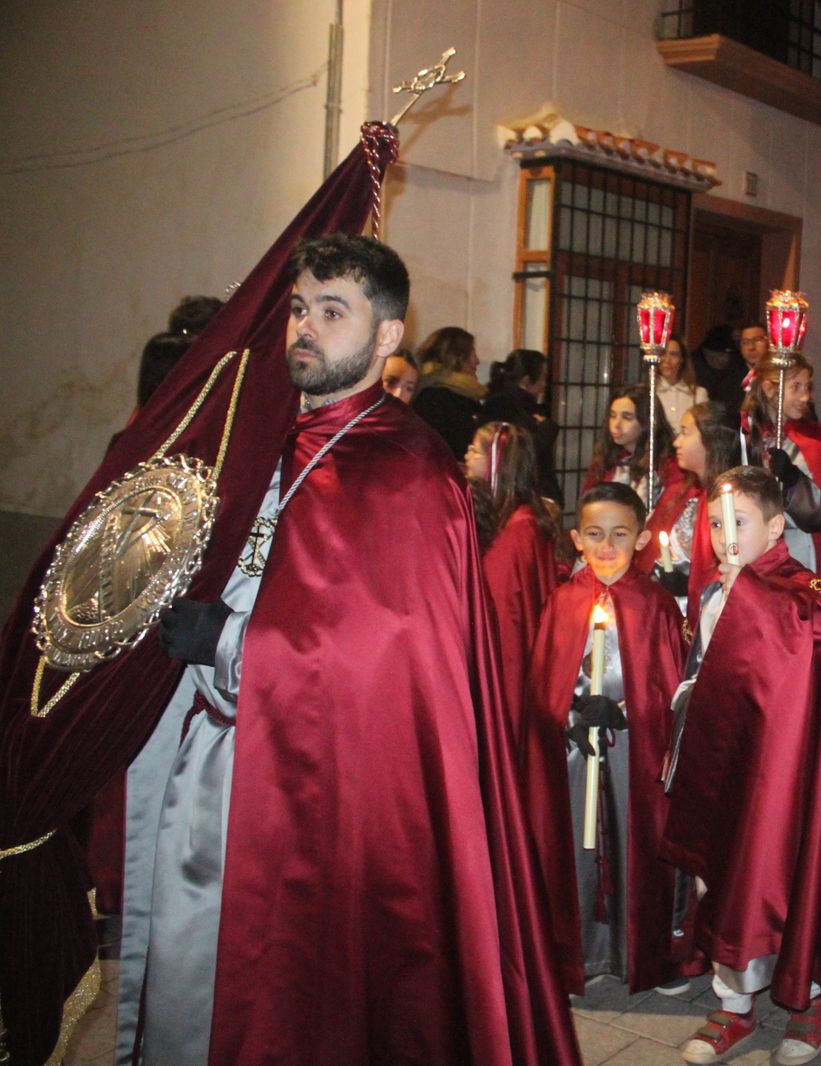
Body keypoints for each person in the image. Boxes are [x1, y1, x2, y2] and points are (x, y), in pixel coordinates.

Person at [118, 234, 577, 1064]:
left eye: (334, 312)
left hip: (328, 794)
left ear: (388, 335)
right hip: (218, 765)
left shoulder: (410, 470)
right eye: (300, 308)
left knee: (304, 998)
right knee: (194, 992)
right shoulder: (265, 438)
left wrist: (228, 639)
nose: (307, 327)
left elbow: (388, 657)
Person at [661, 466, 821, 1065]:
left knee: (784, 875)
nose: (725, 537)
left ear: (773, 527)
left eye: (738, 523)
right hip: (724, 760)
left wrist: (753, 596)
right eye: (715, 525)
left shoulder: (805, 589)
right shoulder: (715, 591)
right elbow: (704, 664)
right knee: (720, 875)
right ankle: (733, 1003)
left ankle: (807, 996)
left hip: (784, 771)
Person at [523, 482, 688, 995]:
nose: (607, 546)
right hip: (575, 749)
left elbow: (671, 686)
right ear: (576, 539)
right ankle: (581, 953)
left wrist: (625, 712)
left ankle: (644, 953)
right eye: (595, 534)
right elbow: (543, 681)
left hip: (633, 750)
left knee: (635, 841)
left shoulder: (656, 604)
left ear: (641, 539)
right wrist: (567, 714)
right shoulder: (563, 601)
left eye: (620, 533)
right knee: (576, 841)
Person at [466, 420, 560, 739]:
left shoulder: (518, 531)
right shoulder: (516, 520)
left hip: (509, 664)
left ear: (497, 463)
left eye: (475, 450)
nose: (467, 455)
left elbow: (506, 618)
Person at [741, 354, 821, 590]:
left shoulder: (815, 440)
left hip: (797, 549)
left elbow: (819, 515)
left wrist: (792, 480)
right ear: (769, 389)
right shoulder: (747, 436)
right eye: (796, 387)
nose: (805, 397)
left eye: (807, 387)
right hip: (751, 546)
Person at [639, 401, 741, 617]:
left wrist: (688, 583)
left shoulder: (733, 502)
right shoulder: (679, 492)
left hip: (707, 610)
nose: (676, 442)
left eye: (685, 432)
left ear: (711, 441)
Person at [483, 348, 561, 504]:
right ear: (526, 382)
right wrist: (547, 429)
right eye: (543, 378)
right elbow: (521, 452)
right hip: (517, 495)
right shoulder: (503, 407)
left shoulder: (521, 406)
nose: (544, 385)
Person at [583, 383, 675, 508]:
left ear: (648, 421)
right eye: (612, 416)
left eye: (627, 417)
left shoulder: (667, 464)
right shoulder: (607, 458)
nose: (616, 424)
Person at [412, 326, 484, 458]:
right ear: (457, 357)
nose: (477, 361)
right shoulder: (433, 398)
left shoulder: (464, 393)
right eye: (472, 352)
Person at [657, 335, 709, 432]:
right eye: (663, 353)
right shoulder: (648, 393)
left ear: (682, 359)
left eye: (673, 354)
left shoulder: (698, 394)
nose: (667, 360)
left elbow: (703, 430)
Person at [691, 324, 745, 409]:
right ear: (705, 352)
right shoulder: (693, 370)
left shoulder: (739, 369)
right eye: (716, 355)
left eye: (726, 355)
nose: (723, 360)